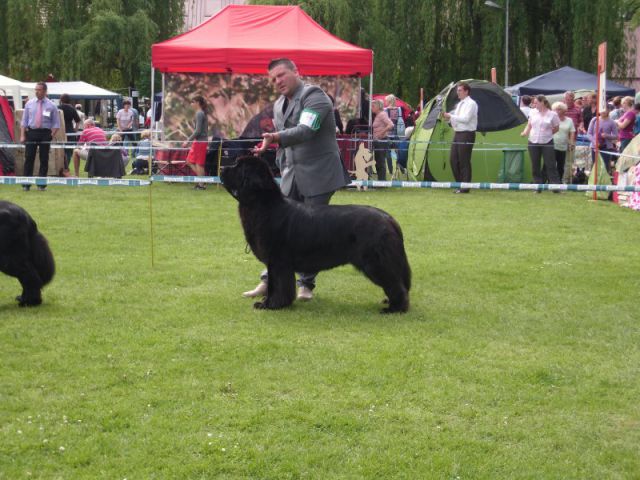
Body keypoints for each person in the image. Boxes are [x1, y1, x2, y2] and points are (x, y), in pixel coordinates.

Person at [247, 57, 349, 301]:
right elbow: (285, 143)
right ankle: (269, 280)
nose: (277, 82)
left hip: (319, 175)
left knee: (311, 232)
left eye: (281, 75)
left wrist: (276, 137)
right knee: (277, 230)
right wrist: (268, 148)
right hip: (290, 176)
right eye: (273, 79)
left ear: (296, 72)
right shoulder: (279, 105)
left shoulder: (315, 97)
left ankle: (306, 285)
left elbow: (306, 130)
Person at [20, 81, 60, 191]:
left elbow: (56, 124)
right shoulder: (29, 104)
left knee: (44, 159)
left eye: (39, 90)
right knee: (29, 158)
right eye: (36, 90)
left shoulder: (52, 105)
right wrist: (22, 135)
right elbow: (24, 121)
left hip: (45, 134)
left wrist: (51, 135)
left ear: (45, 91)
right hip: (31, 133)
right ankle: (26, 184)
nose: (37, 92)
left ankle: (41, 185)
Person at [443, 81, 478, 194]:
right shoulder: (459, 104)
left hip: (467, 133)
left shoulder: (471, 104)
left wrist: (451, 116)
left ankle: (465, 187)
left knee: (464, 161)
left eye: (460, 90)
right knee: (453, 160)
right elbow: (456, 119)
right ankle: (459, 184)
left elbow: (466, 119)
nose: (458, 93)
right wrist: (449, 118)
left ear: (466, 91)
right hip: (458, 133)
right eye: (457, 90)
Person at [521, 94, 561, 190]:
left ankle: (555, 186)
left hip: (547, 142)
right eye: (533, 103)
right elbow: (529, 125)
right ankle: (537, 186)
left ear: (542, 102)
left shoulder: (553, 114)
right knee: (535, 165)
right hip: (533, 141)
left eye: (536, 103)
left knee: (550, 164)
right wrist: (525, 132)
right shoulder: (532, 113)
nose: (534, 105)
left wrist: (548, 134)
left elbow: (556, 128)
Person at [181, 95, 209, 190]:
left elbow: (198, 131)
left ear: (197, 103)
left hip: (200, 142)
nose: (191, 104)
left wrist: (187, 141)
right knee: (190, 161)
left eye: (192, 102)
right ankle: (201, 181)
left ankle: (201, 184)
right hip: (199, 142)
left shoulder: (199, 114)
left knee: (198, 164)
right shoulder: (200, 113)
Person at [587, 110, 618, 175]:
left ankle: (605, 182)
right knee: (595, 166)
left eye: (605, 110)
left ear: (608, 111)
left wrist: (607, 136)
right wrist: (594, 142)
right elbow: (589, 134)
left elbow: (616, 136)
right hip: (595, 147)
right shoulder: (594, 120)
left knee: (605, 166)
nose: (603, 112)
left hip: (606, 147)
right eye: (602, 110)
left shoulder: (612, 122)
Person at [552, 102, 576, 182]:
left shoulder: (569, 120)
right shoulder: (552, 119)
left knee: (561, 165)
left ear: (564, 110)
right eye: (556, 109)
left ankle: (559, 181)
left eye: (559, 109)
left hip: (563, 146)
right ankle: (549, 181)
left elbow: (572, 132)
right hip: (552, 144)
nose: (557, 111)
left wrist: (571, 143)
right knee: (550, 165)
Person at [57, 93, 80, 176]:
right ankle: (66, 168)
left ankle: (61, 168)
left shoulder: (58, 108)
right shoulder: (72, 109)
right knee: (69, 152)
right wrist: (75, 130)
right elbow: (77, 121)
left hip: (59, 132)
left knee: (59, 151)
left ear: (61, 100)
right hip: (70, 132)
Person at [371, 99, 394, 180]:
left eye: (373, 106)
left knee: (380, 162)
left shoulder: (382, 114)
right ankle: (380, 180)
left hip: (382, 141)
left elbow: (390, 125)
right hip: (378, 141)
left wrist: (381, 133)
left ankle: (382, 182)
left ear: (378, 106)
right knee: (378, 161)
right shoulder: (378, 115)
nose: (371, 108)